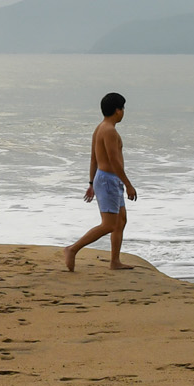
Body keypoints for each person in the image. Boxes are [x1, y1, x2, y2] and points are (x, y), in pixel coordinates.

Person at [63, 92, 138, 271]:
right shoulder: (109, 131)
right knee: (109, 224)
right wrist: (128, 185)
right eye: (123, 108)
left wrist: (91, 183)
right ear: (117, 110)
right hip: (108, 180)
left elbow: (93, 159)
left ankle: (115, 261)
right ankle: (72, 249)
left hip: (107, 179)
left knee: (121, 220)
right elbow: (114, 161)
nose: (123, 112)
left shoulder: (100, 128)